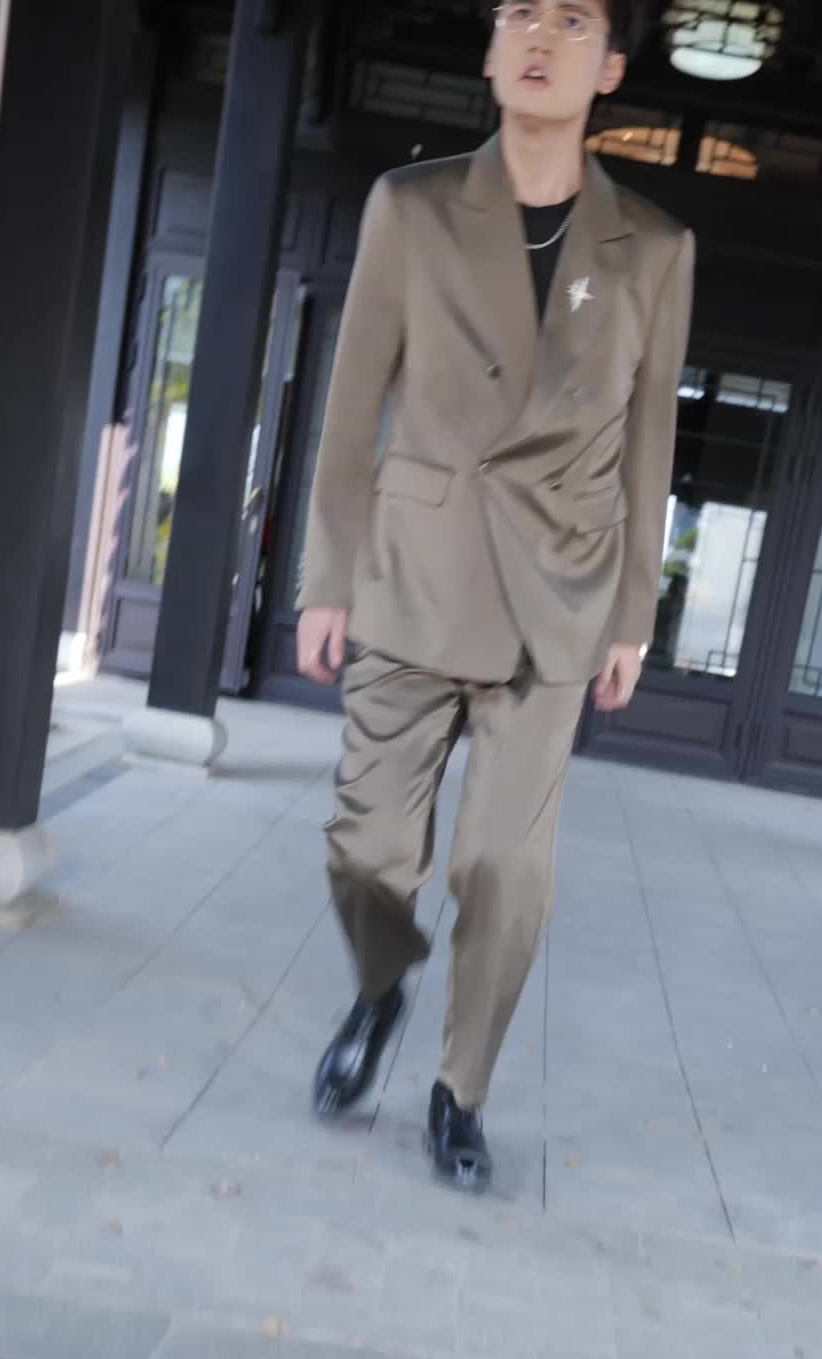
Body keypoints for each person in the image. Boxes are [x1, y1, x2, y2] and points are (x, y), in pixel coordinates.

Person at [296, 0, 695, 1191]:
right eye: (521, 12)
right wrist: (330, 575)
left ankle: (458, 1093)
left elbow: (651, 442)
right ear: (489, 48)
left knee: (508, 879)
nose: (540, 37)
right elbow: (352, 401)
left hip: (556, 598)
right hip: (413, 575)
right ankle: (381, 986)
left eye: (573, 20)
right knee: (366, 852)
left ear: (609, 66)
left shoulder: (653, 247)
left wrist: (633, 615)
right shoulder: (411, 207)